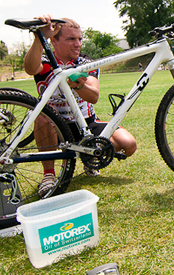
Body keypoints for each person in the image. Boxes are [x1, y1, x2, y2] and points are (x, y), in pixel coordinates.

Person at [24, 16, 137, 194]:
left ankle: (88, 157)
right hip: (55, 125)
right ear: (54, 40)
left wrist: (78, 85)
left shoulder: (85, 62)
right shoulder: (45, 60)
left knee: (128, 144)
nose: (77, 44)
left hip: (86, 122)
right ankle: (48, 174)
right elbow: (30, 68)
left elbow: (94, 96)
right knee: (43, 115)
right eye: (71, 39)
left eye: (79, 39)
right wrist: (39, 37)